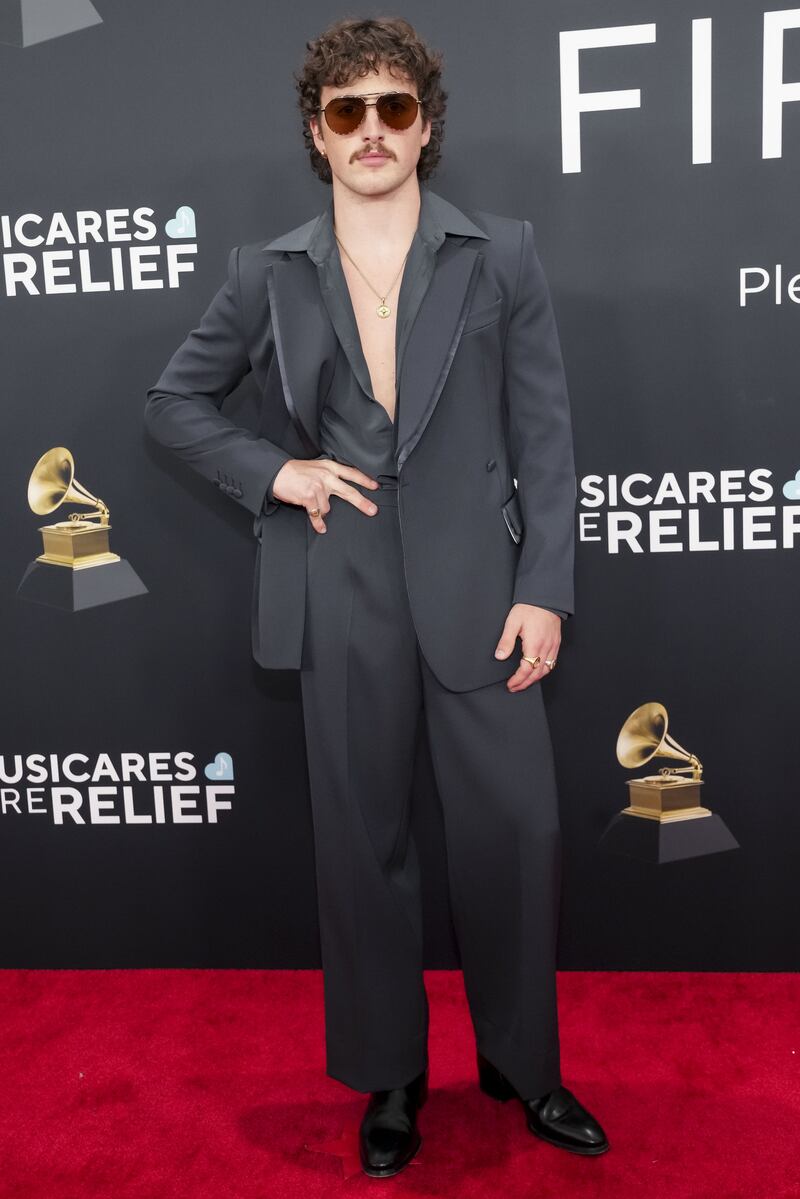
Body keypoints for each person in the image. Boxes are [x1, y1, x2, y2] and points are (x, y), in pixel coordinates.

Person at [144, 14, 609, 1179]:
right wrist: (275, 469)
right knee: (364, 847)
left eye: (391, 107)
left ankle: (521, 1063)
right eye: (346, 110)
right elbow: (175, 404)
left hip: (484, 591)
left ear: (423, 125)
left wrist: (543, 587)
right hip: (340, 587)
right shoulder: (268, 270)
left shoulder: (497, 252)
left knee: (516, 835)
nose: (370, 130)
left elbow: (545, 439)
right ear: (317, 129)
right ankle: (391, 1075)